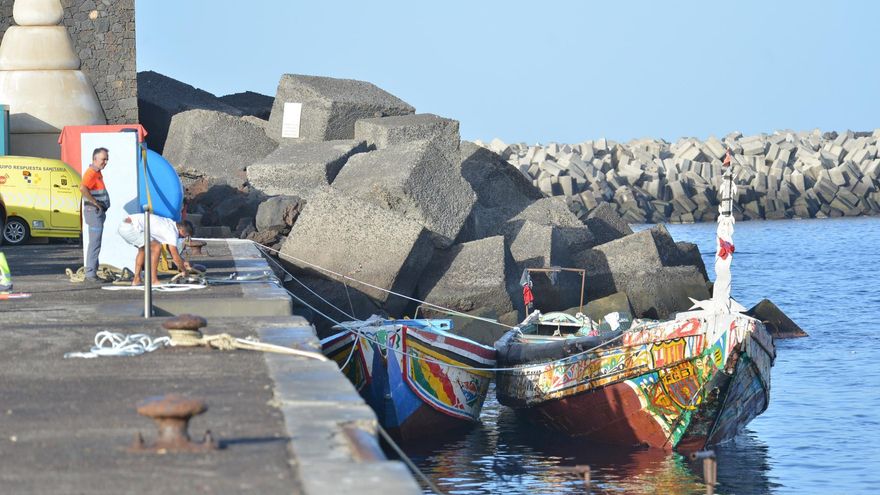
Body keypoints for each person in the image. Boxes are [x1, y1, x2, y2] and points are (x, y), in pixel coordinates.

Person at [117, 213, 193, 286]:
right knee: (156, 247)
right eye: (185, 236)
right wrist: (184, 271)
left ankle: (137, 279)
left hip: (124, 225)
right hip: (130, 227)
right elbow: (175, 258)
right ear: (182, 230)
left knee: (143, 249)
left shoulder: (170, 224)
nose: (183, 238)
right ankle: (153, 280)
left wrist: (182, 261)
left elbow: (170, 250)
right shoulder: (172, 233)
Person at [79, 148, 110, 283]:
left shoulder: (97, 173)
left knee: (96, 243)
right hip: (93, 212)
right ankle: (90, 274)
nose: (106, 162)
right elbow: (82, 188)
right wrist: (95, 203)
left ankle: (93, 272)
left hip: (96, 212)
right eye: (103, 159)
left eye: (106, 159)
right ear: (95, 159)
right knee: (95, 243)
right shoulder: (91, 173)